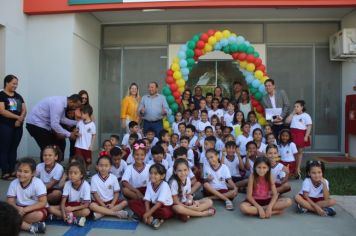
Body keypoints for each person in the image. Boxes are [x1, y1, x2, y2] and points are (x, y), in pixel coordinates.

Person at [26, 94, 81, 159]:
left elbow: (62, 119)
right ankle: (45, 167)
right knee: (48, 148)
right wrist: (69, 134)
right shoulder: (58, 104)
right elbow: (54, 124)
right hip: (35, 124)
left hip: (42, 125)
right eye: (76, 106)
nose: (75, 109)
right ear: (72, 102)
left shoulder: (63, 103)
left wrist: (78, 123)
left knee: (55, 146)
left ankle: (54, 166)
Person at [7, 158, 47, 234]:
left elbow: (43, 202)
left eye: (26, 172)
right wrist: (18, 208)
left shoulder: (38, 183)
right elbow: (10, 201)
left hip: (34, 208)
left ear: (33, 173)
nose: (22, 174)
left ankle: (15, 222)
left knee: (39, 215)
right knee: (6, 214)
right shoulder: (13, 183)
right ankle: (32, 227)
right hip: (18, 209)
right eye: (19, 171)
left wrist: (25, 210)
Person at [129, 163, 174, 229]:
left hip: (164, 206)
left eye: (155, 174)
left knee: (165, 213)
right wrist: (148, 213)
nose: (152, 175)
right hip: (152, 205)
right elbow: (147, 200)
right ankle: (153, 219)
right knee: (132, 203)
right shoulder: (150, 183)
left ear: (162, 176)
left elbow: (159, 203)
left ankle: (142, 216)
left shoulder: (164, 185)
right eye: (151, 173)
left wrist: (148, 213)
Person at [0, 75, 26, 180]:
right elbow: (2, 111)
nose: (15, 86)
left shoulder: (18, 96)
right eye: (13, 83)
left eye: (16, 84)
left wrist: (20, 119)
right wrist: (18, 118)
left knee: (13, 148)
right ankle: (5, 172)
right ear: (7, 83)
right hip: (5, 126)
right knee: (4, 149)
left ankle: (12, 170)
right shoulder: (1, 95)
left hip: (18, 126)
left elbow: (24, 109)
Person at [48, 161, 90, 227]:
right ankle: (73, 219)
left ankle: (60, 217)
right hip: (68, 206)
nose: (72, 175)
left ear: (81, 175)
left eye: (75, 173)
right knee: (50, 208)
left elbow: (86, 204)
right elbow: (63, 202)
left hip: (78, 206)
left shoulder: (86, 185)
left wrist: (73, 209)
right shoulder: (67, 183)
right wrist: (63, 213)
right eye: (70, 173)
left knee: (86, 211)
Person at [90, 156, 129, 220]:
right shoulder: (94, 178)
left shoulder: (113, 177)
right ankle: (116, 213)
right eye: (101, 165)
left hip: (111, 202)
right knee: (92, 206)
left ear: (110, 167)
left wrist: (113, 204)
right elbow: (95, 194)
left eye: (106, 166)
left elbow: (116, 193)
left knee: (125, 202)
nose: (103, 168)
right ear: (97, 166)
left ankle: (101, 214)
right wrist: (102, 205)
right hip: (99, 202)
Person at [285, 100, 312, 177]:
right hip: (293, 133)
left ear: (302, 107)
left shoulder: (306, 115)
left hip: (301, 133)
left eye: (297, 106)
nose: (295, 108)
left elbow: (309, 126)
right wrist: (292, 113)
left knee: (300, 152)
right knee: (293, 151)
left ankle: (298, 168)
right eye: (295, 106)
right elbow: (287, 121)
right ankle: (292, 167)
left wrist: (306, 136)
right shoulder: (293, 115)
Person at [74, 105, 96, 171]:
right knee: (78, 160)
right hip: (78, 146)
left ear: (87, 114)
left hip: (87, 147)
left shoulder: (92, 124)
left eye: (82, 113)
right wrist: (77, 133)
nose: (81, 115)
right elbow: (76, 130)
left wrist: (92, 145)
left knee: (88, 161)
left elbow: (94, 135)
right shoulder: (79, 123)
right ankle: (80, 171)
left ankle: (87, 171)